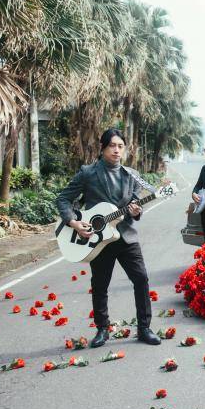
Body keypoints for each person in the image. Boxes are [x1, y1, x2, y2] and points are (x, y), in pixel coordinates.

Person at [56, 129, 161, 347]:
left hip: (126, 237)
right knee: (100, 285)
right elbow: (63, 199)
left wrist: (135, 211)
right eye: (112, 145)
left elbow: (134, 204)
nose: (116, 150)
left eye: (120, 146)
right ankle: (102, 330)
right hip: (98, 240)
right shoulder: (88, 173)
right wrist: (74, 223)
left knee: (141, 279)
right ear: (103, 147)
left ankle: (144, 328)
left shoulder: (131, 174)